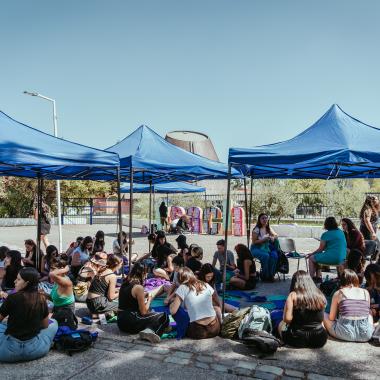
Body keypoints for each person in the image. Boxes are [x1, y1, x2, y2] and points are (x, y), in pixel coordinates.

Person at [0, 267, 58, 363]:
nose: (15, 281)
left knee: (2, 326)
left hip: (7, 353)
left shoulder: (12, 298)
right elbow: (45, 325)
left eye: (18, 279)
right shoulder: (41, 299)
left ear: (26, 283)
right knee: (54, 323)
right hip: (36, 351)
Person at [117, 262, 169, 343]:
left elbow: (130, 297)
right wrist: (150, 300)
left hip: (120, 321)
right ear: (143, 273)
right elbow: (144, 312)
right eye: (146, 273)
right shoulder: (138, 287)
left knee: (152, 314)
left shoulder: (125, 282)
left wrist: (143, 296)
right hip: (130, 322)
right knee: (164, 316)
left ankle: (149, 330)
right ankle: (153, 332)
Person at [278, 271, 327, 348]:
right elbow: (321, 319)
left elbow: (287, 319)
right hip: (319, 339)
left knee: (281, 323)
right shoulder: (320, 294)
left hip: (297, 338)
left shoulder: (293, 295)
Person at [323, 269, 374, 342]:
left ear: (342, 281)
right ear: (356, 279)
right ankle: (372, 327)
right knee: (369, 312)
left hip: (344, 333)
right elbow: (366, 313)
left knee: (324, 314)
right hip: (366, 334)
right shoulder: (365, 292)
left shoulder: (339, 293)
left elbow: (331, 318)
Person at [170, 267, 220, 339]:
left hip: (199, 332)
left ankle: (176, 328)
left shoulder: (182, 287)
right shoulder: (205, 284)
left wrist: (171, 304)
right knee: (216, 308)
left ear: (180, 279)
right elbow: (215, 298)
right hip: (215, 329)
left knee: (174, 308)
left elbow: (173, 311)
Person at [308, 217, 347, 281]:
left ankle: (311, 279)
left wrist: (311, 254)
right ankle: (318, 276)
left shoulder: (325, 234)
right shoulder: (341, 232)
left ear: (326, 224)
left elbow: (321, 249)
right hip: (342, 258)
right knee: (318, 256)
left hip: (333, 258)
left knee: (311, 258)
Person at [250, 213, 279, 281]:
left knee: (274, 256)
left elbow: (276, 235)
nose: (264, 219)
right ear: (259, 220)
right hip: (256, 248)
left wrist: (273, 237)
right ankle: (265, 276)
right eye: (262, 218)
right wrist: (263, 240)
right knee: (266, 256)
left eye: (266, 218)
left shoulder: (268, 228)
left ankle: (271, 275)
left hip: (266, 248)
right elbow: (254, 242)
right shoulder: (256, 229)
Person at [49, 259, 75, 325]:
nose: (51, 271)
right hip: (58, 310)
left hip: (66, 313)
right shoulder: (58, 280)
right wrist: (43, 294)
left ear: (62, 269)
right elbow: (53, 298)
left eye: (53, 269)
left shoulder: (66, 282)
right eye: (50, 268)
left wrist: (66, 269)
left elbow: (51, 274)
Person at [360, 195, 380, 261]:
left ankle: (370, 261)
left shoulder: (372, 208)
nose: (376, 200)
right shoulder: (368, 209)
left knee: (374, 246)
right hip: (367, 231)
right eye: (374, 199)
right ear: (371, 201)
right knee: (374, 246)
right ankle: (369, 263)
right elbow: (367, 221)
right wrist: (373, 232)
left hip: (368, 231)